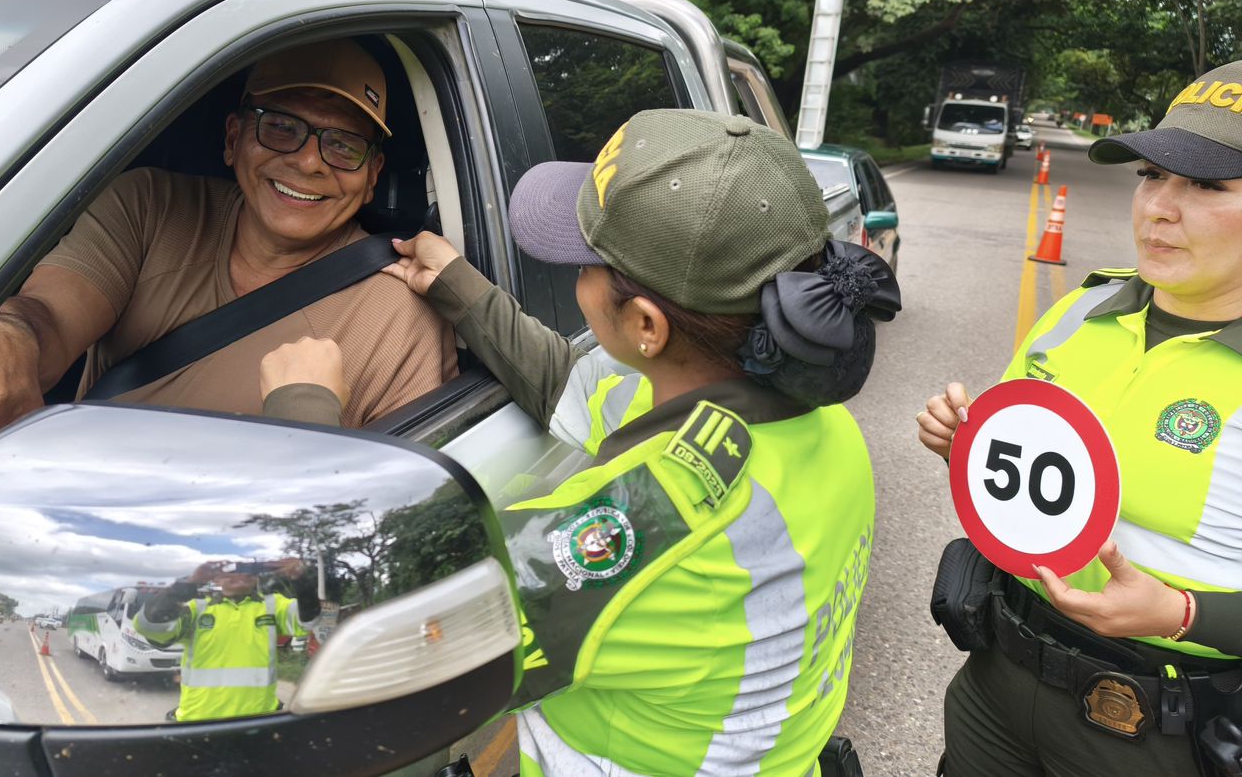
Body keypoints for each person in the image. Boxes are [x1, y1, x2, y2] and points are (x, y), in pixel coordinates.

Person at [275, 109, 899, 774]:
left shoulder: (645, 526)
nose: (573, 275)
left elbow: (358, 647)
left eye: (583, 260)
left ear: (645, 326)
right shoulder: (818, 418)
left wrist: (303, 416)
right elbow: (576, 385)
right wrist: (458, 287)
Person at [918, 60, 1242, 776]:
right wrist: (963, 443)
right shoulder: (1080, 311)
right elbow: (1032, 471)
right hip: (997, 678)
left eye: (1206, 185)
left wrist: (1183, 615)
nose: (1159, 206)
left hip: (1158, 725)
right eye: (1151, 175)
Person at [0, 38, 456, 452]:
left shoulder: (400, 317)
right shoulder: (149, 206)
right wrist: (11, 336)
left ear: (372, 177)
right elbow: (49, 315)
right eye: (281, 127)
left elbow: (384, 510)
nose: (309, 162)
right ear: (234, 139)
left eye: (343, 145)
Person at [133, 559, 316, 723]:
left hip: (260, 719)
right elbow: (149, 626)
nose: (242, 573)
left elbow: (309, 619)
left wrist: (300, 579)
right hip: (198, 721)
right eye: (233, 569)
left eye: (249, 569)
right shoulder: (197, 608)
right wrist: (188, 584)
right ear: (216, 579)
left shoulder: (273, 604)